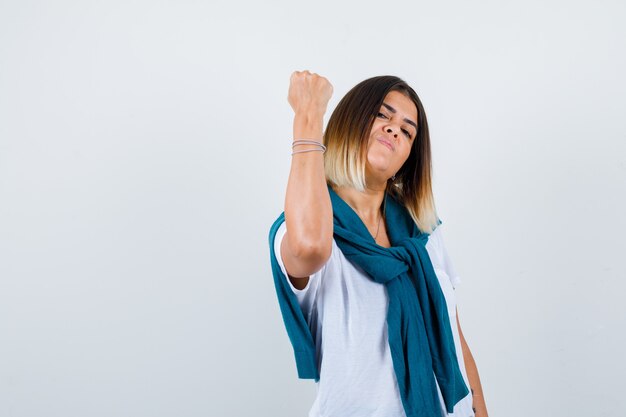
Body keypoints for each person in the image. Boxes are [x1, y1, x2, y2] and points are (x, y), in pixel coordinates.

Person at [268, 70, 489, 417]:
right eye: (382, 115)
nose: (393, 130)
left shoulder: (424, 234)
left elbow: (457, 344)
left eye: (406, 131)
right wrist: (308, 115)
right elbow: (310, 247)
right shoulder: (307, 227)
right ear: (349, 121)